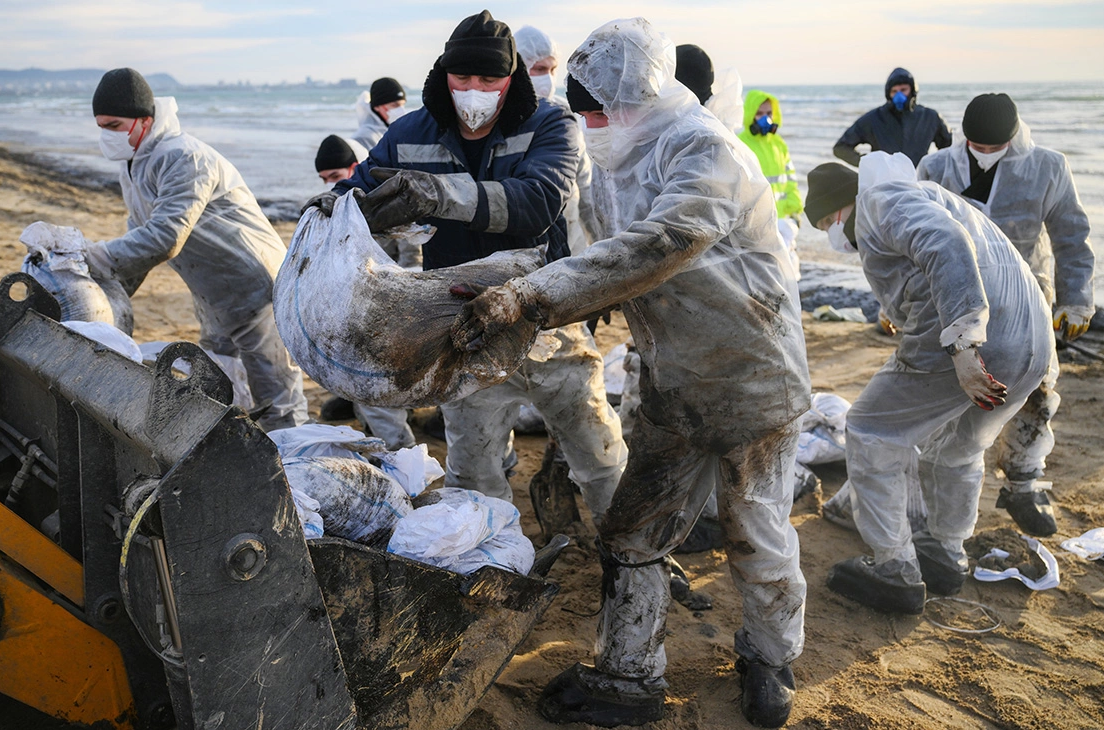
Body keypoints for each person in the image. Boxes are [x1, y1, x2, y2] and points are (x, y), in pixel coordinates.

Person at [450, 18, 811, 728]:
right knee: (632, 533)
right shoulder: (621, 162)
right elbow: (602, 253)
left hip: (755, 385)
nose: (588, 123)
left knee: (757, 536)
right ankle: (630, 675)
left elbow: (660, 245)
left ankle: (771, 658)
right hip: (673, 384)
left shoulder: (710, 155)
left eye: (597, 109)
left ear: (640, 95)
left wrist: (532, 299)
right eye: (580, 112)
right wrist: (508, 282)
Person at [311, 10, 627, 525]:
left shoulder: (551, 124)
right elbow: (361, 185)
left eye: (489, 79)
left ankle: (630, 553)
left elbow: (537, 202)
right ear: (443, 75)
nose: (475, 90)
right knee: (473, 470)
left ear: (511, 78)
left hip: (545, 318)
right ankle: (496, 558)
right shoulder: (409, 133)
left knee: (598, 452)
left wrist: (439, 194)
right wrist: (327, 207)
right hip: (461, 328)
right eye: (463, 78)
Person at [804, 153, 1054, 615]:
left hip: (979, 341)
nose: (831, 236)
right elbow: (938, 261)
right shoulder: (928, 195)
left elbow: (946, 244)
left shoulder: (879, 200)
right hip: (1033, 343)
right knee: (958, 446)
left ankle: (894, 569)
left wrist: (962, 345)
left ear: (840, 207)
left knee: (870, 430)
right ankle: (944, 553)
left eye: (825, 224)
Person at [85, 68, 308, 431]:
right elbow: (140, 234)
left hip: (255, 288)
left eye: (114, 125)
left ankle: (294, 473)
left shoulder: (182, 157)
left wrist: (100, 257)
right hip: (213, 294)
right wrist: (108, 295)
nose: (105, 135)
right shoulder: (133, 165)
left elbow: (164, 236)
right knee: (222, 385)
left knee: (277, 398)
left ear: (145, 120)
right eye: (100, 126)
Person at [918, 93, 1095, 536]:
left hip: (1029, 298)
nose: (986, 153)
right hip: (957, 298)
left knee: (1039, 387)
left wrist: (1076, 300)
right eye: (978, 145)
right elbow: (915, 239)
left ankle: (1023, 481)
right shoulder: (937, 168)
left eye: (995, 146)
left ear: (1012, 138)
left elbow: (1071, 236)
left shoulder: (1047, 168)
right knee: (945, 390)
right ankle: (927, 486)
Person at [311, 133, 418, 449]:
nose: (330, 184)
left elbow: (416, 263)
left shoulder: (392, 204)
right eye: (324, 179)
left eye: (335, 176)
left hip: (401, 304)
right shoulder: (342, 208)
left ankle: (400, 452)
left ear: (354, 168)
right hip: (366, 306)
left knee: (373, 385)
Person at [514, 24, 603, 255]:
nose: (548, 79)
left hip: (570, 231)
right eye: (540, 69)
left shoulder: (564, 116)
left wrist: (600, 238)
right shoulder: (504, 118)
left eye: (553, 70)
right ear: (519, 66)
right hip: (523, 239)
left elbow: (585, 182)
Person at [739, 89, 803, 273]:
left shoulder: (779, 144)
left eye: (768, 113)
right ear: (750, 114)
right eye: (759, 113)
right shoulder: (741, 142)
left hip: (783, 220)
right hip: (757, 223)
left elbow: (790, 179)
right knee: (762, 273)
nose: (764, 118)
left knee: (789, 272)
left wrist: (795, 213)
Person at [834, 68, 951, 167]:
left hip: (919, 184)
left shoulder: (930, 117)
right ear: (888, 94)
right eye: (894, 91)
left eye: (903, 90)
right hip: (884, 185)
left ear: (913, 91)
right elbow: (841, 148)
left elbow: (950, 149)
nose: (898, 95)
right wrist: (870, 164)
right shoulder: (873, 119)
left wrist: (933, 167)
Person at [351, 77, 407, 151]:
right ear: (377, 106)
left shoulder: (395, 130)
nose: (401, 110)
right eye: (394, 105)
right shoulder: (364, 137)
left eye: (402, 105)